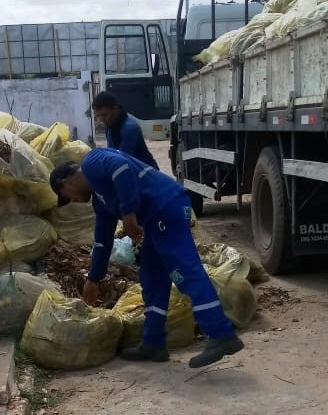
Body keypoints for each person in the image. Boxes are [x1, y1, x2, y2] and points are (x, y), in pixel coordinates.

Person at [49, 148, 244, 368]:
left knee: (184, 271)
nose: (74, 201)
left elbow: (121, 168)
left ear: (66, 183)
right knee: (151, 276)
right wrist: (93, 279)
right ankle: (153, 342)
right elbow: (102, 240)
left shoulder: (92, 162)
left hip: (168, 206)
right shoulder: (100, 200)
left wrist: (129, 213)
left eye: (68, 198)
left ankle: (221, 334)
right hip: (155, 220)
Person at [91, 91, 158, 169]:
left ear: (115, 109)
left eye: (104, 114)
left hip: (147, 174)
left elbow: (121, 162)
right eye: (98, 116)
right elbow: (112, 153)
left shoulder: (129, 128)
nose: (101, 119)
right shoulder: (109, 126)